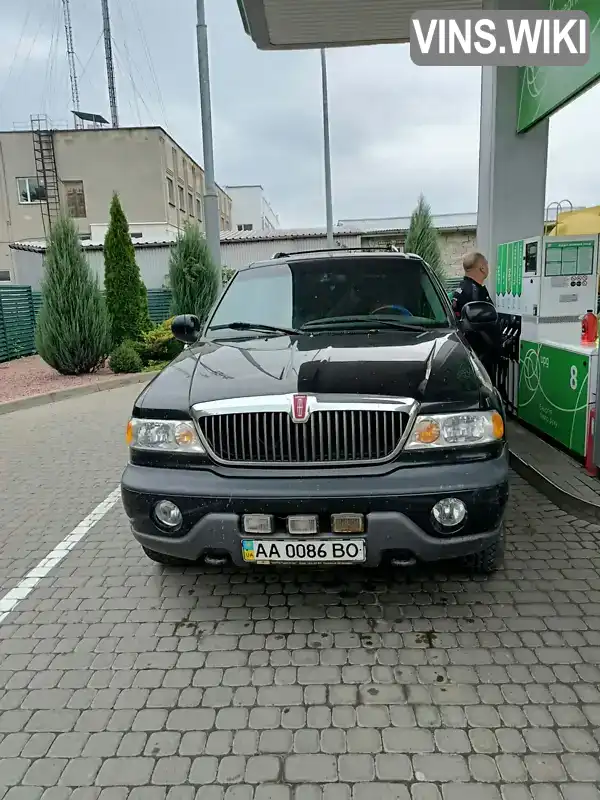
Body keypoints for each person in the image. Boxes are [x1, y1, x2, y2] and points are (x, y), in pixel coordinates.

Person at [451, 251, 503, 382]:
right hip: (480, 357)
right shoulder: (475, 293)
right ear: (482, 268)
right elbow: (483, 323)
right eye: (486, 264)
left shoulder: (462, 288)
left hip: (470, 354)